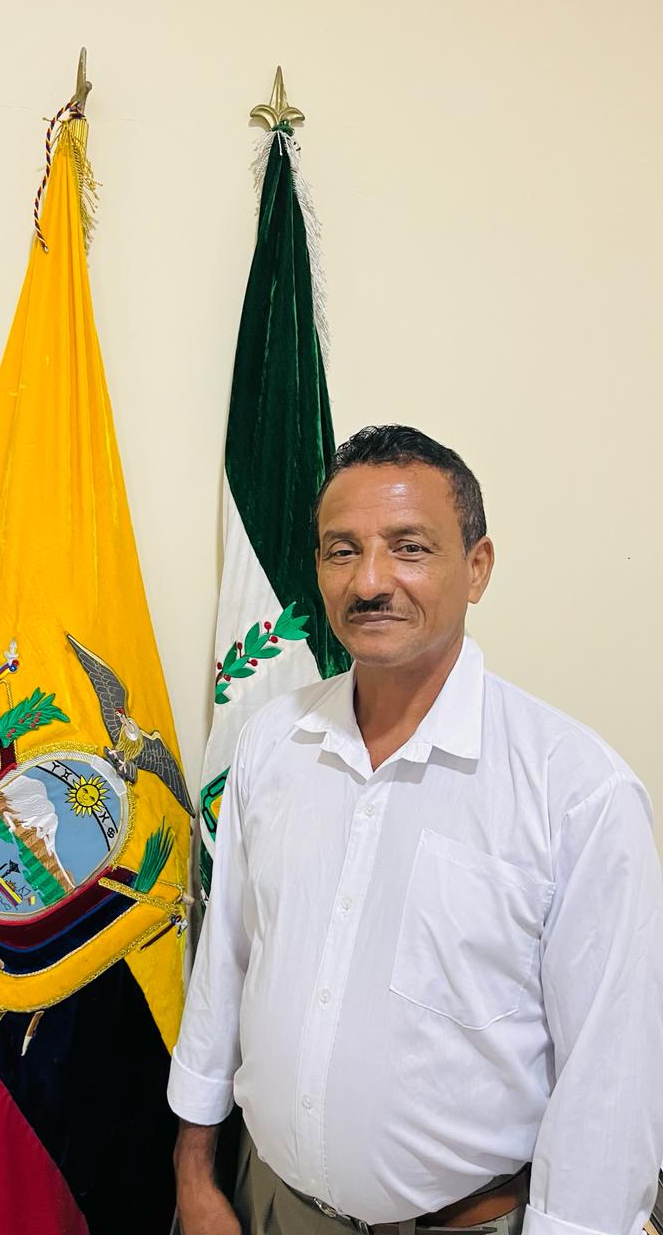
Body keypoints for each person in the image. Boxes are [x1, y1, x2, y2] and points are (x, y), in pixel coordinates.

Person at [168, 425, 663, 1235]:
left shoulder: (577, 791)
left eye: (409, 548)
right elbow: (228, 962)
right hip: (270, 1206)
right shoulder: (273, 743)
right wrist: (194, 1172)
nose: (370, 582)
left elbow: (611, 1078)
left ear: (478, 567)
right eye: (342, 551)